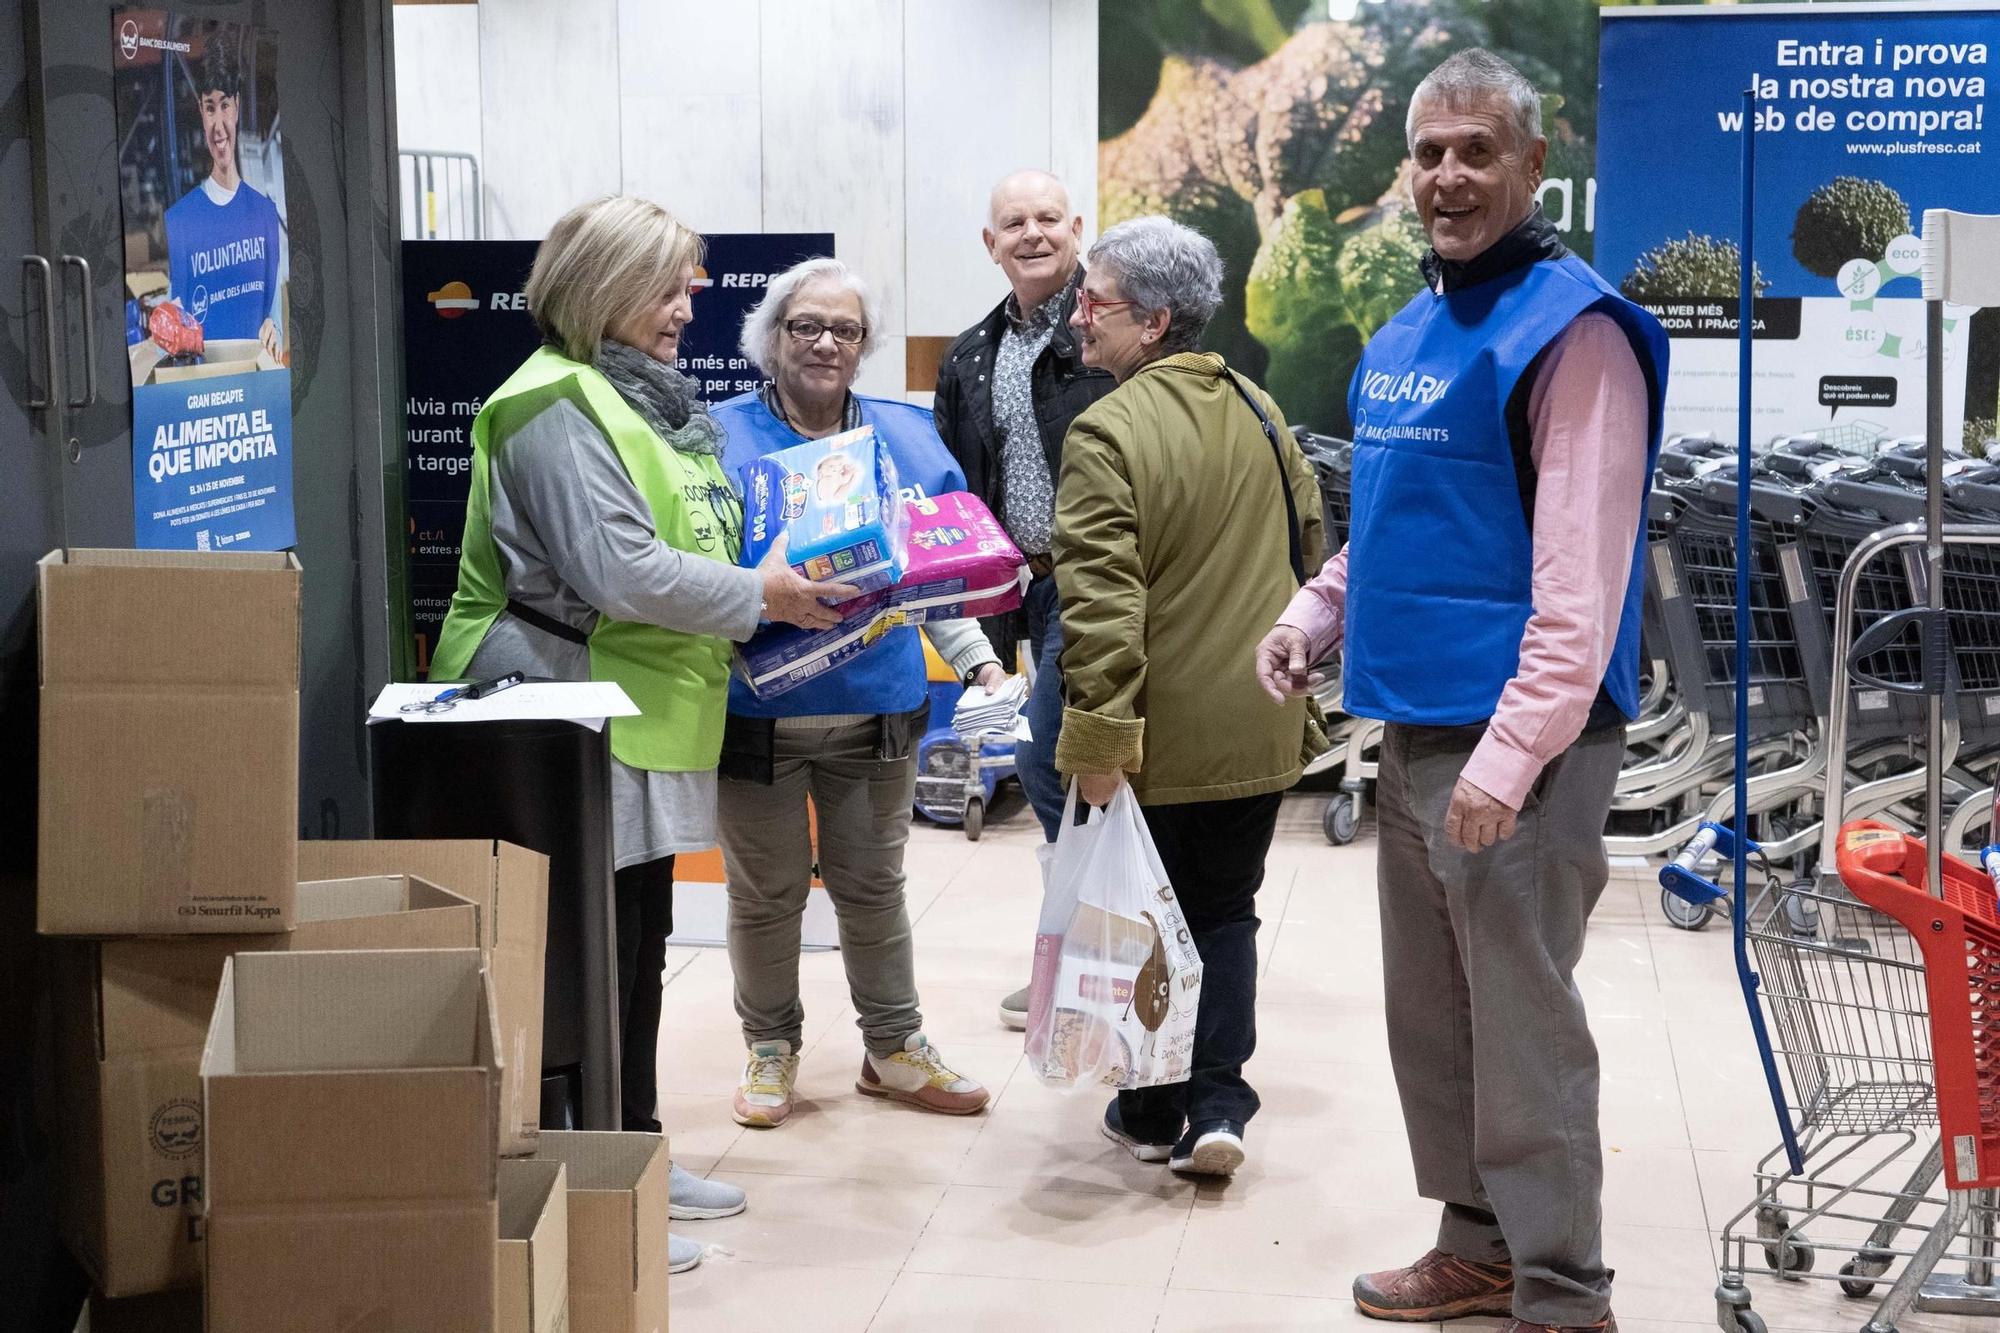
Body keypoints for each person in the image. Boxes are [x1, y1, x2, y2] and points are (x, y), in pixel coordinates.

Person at [1255, 49, 1666, 1333]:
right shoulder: (1406, 330)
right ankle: (1474, 1241)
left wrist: (1507, 756)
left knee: (1522, 1020)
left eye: (1476, 149)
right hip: (1411, 722)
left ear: (1533, 165)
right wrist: (1312, 613)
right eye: (1429, 151)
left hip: (1515, 750)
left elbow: (1579, 588)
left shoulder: (1572, 332)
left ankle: (1560, 1286)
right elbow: (1389, 525)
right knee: (1433, 1014)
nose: (1446, 175)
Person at [428, 196, 852, 1273]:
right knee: (583, 955)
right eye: (668, 286)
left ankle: (638, 1151)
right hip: (560, 714)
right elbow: (621, 570)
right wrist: (764, 596)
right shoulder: (550, 406)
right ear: (606, 289)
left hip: (644, 708)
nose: (688, 305)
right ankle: (585, 1186)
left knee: (637, 943)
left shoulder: (645, 401)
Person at [1053, 215, 1322, 1178]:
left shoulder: (1106, 428)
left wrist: (1099, 737)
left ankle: (1154, 1103)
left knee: (1146, 916)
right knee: (1225, 909)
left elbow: (1101, 603)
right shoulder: (1259, 405)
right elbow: (1310, 548)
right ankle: (1221, 1107)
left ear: (1156, 321)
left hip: (1156, 733)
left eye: (1098, 301)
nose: (1079, 315)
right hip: (1258, 716)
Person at [712, 258, 1005, 1129]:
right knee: (764, 895)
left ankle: (894, 1048)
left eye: (844, 329)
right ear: (772, 337)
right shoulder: (714, 439)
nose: (826, 343)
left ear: (865, 344)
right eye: (806, 325)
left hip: (877, 710)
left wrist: (982, 663)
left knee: (873, 887)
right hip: (755, 711)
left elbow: (937, 576)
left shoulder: (909, 439)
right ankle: (769, 1049)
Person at [932, 168, 1115, 1031]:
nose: (1033, 233)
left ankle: (1093, 945)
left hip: (1103, 578)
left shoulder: (1114, 329)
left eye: (1049, 218)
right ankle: (1088, 945)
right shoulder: (970, 354)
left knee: (1052, 756)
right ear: (990, 242)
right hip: (1025, 585)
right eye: (1015, 222)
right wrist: (978, 631)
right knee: (1062, 761)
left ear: (1078, 227)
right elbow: (959, 494)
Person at [164, 32, 284, 357]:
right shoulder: (180, 221)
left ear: (237, 106)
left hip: (257, 391)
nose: (218, 124)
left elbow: (278, 324)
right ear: (201, 114)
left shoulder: (264, 215)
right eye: (210, 108)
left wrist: (276, 331)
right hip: (207, 394)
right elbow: (175, 339)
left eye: (225, 105)